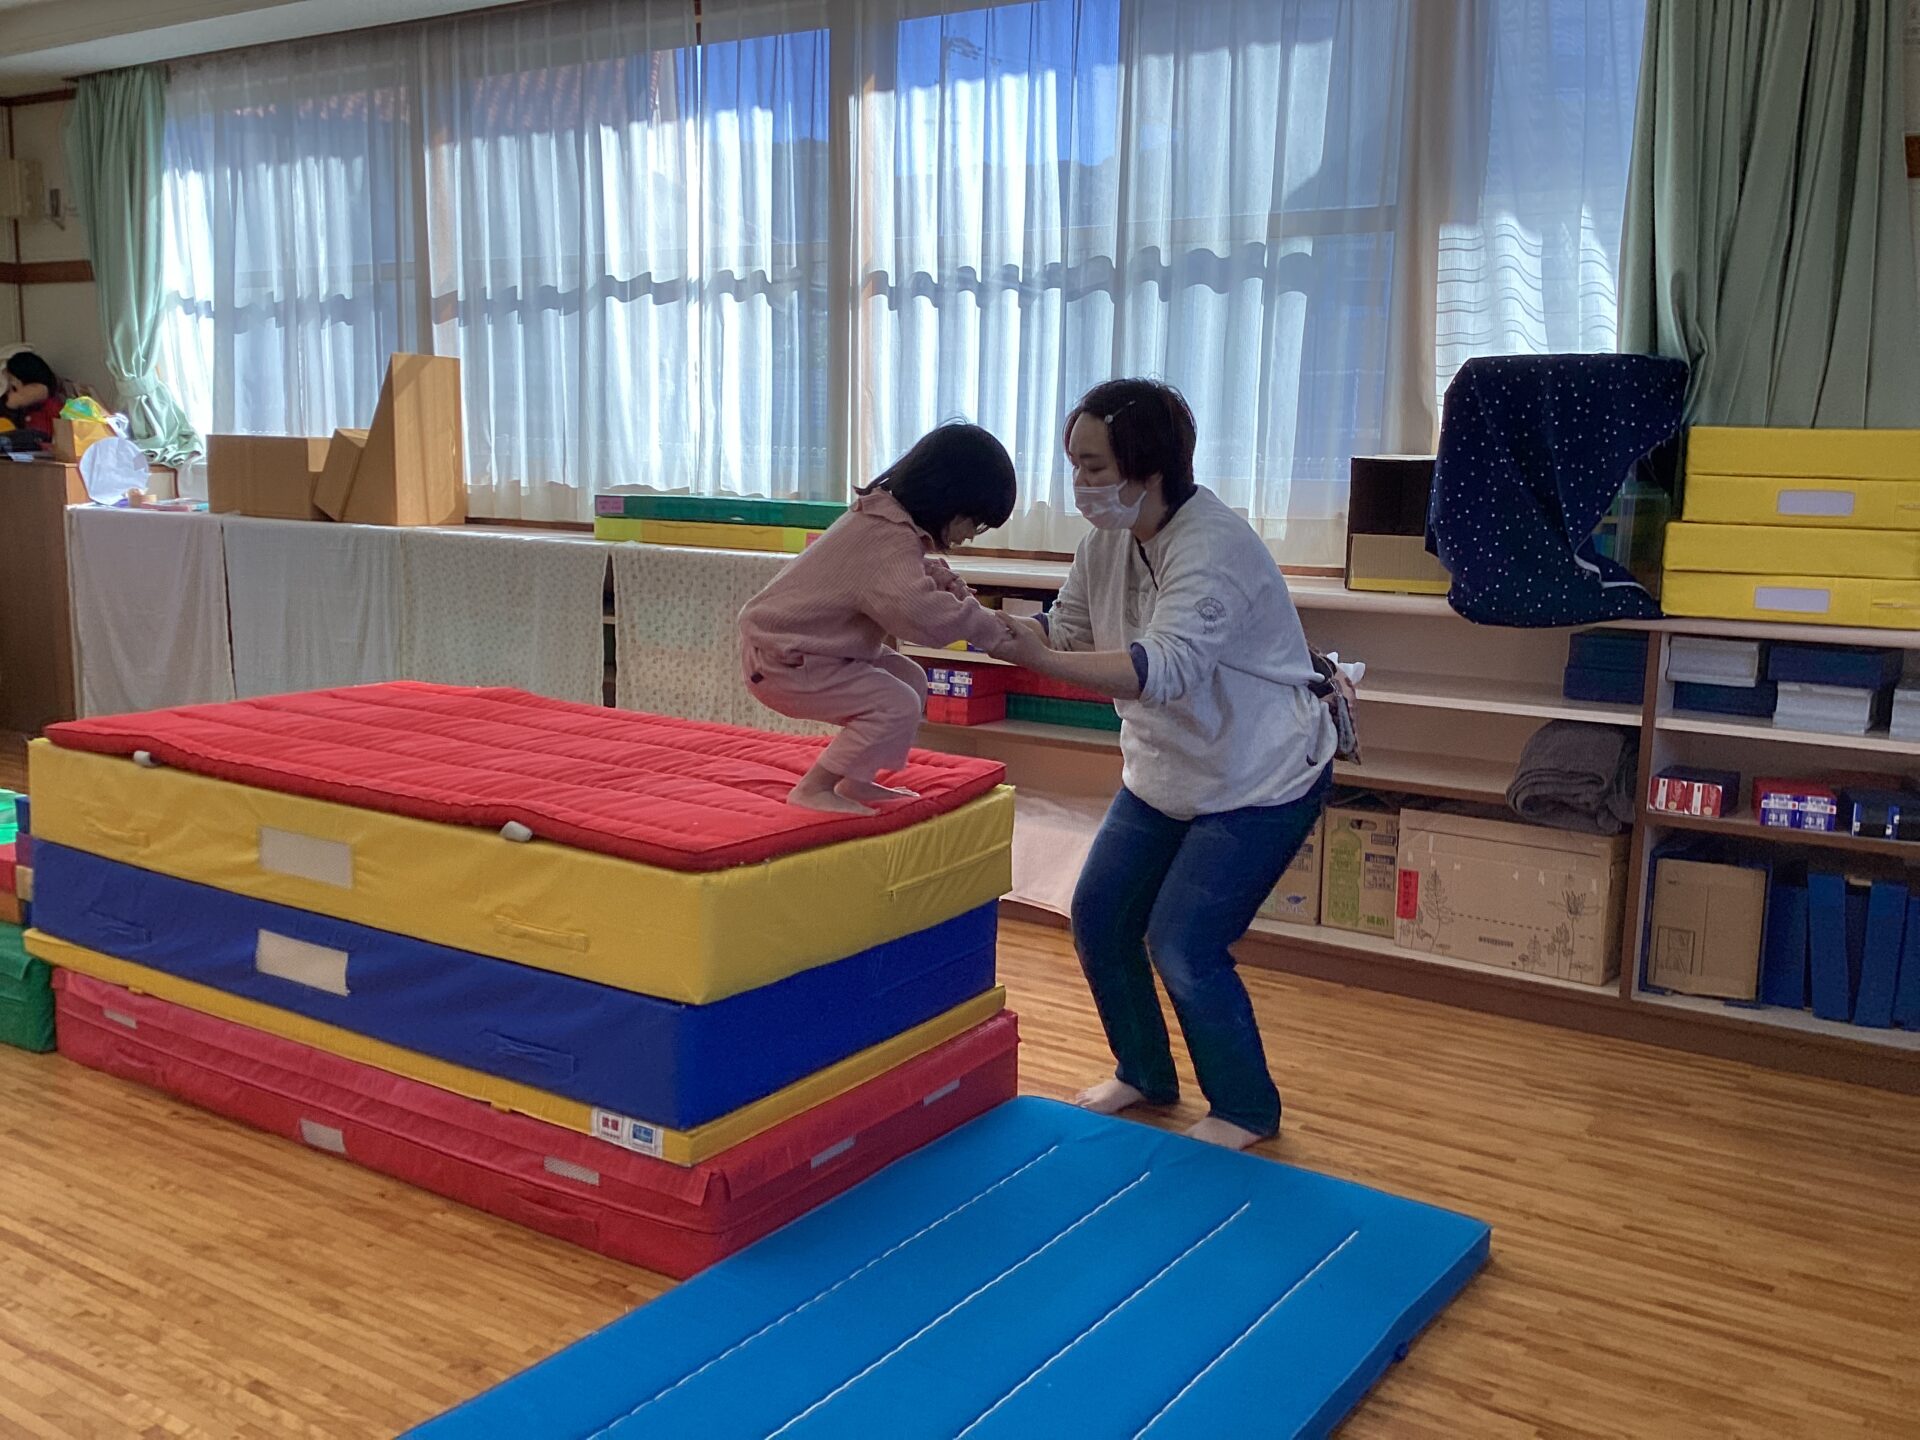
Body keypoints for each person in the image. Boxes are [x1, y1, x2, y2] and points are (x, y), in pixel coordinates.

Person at [992, 378, 1336, 1150]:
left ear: (1149, 470)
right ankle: (1145, 1073)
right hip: (1166, 772)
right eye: (1074, 465)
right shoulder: (1107, 541)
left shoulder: (1213, 547)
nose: (1079, 484)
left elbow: (1165, 669)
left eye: (1094, 467)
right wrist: (988, 625)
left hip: (1261, 778)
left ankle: (1244, 1110)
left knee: (1183, 943)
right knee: (1100, 918)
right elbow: (1065, 628)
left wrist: (1037, 657)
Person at [740, 423, 1017, 815]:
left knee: (911, 680)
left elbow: (899, 569)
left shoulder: (885, 520)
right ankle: (813, 788)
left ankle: (855, 780)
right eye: (974, 522)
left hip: (810, 650)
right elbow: (920, 615)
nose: (971, 535)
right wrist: (987, 628)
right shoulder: (886, 536)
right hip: (783, 659)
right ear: (948, 499)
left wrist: (944, 580)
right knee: (896, 703)